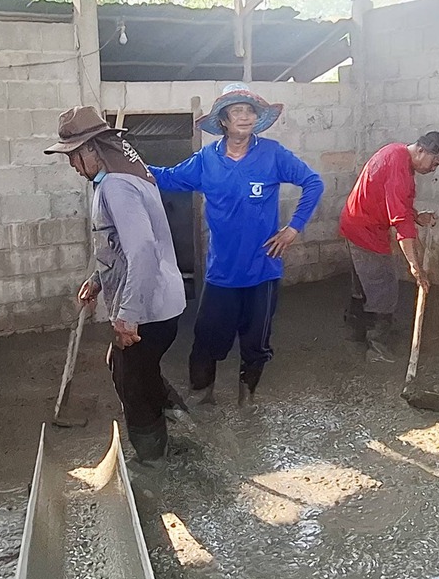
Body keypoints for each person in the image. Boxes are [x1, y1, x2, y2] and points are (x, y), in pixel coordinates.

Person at [149, 83, 324, 405]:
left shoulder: (272, 154)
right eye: (236, 111)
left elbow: (313, 182)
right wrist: (128, 166)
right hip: (223, 272)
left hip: (263, 269)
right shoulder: (207, 159)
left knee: (257, 342)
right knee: (206, 339)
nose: (244, 117)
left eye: (249, 111)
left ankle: (247, 398)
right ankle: (202, 395)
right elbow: (168, 177)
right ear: (224, 121)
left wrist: (293, 228)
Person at [47, 105, 187, 461]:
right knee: (129, 367)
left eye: (74, 155)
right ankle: (179, 419)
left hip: (148, 307)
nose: (72, 164)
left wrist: (128, 316)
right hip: (158, 302)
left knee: (132, 384)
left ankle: (152, 460)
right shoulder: (125, 178)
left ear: (94, 148)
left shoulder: (117, 186)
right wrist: (97, 279)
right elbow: (121, 247)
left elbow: (142, 250)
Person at [338, 131, 439, 359]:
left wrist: (416, 216)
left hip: (356, 223)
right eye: (435, 163)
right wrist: (415, 266)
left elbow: (395, 201)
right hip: (366, 231)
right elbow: (400, 222)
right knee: (384, 288)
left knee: (363, 284)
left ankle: (354, 335)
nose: (433, 169)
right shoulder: (399, 167)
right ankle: (377, 347)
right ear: (421, 150)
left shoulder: (396, 153)